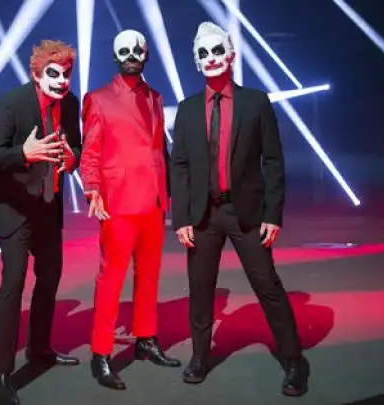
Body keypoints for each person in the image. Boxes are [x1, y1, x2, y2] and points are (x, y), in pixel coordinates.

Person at [169, 22, 310, 396]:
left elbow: (273, 161)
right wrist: (180, 217)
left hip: (246, 213)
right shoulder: (187, 110)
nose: (211, 58)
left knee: (267, 285)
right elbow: (178, 166)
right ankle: (199, 356)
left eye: (217, 50)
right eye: (203, 54)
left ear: (231, 55)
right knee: (200, 289)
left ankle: (294, 360)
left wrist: (272, 213)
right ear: (197, 63)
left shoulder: (256, 103)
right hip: (202, 216)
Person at [0, 39, 81, 405]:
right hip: (15, 209)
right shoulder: (12, 103)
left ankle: (39, 348)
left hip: (48, 207)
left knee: (49, 277)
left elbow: (77, 148)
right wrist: (24, 153)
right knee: (13, 283)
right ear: (37, 75)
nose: (61, 81)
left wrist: (71, 159)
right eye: (53, 74)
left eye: (66, 74)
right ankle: (0, 373)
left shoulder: (70, 103)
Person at [81, 29, 180, 391]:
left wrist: (168, 195)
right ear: (115, 56)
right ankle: (101, 353)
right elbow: (90, 151)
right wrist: (92, 189)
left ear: (146, 54)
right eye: (123, 51)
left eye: (137, 50)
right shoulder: (98, 99)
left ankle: (146, 339)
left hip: (153, 201)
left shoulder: (155, 96)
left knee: (149, 276)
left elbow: (158, 150)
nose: (131, 56)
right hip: (118, 202)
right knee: (111, 280)